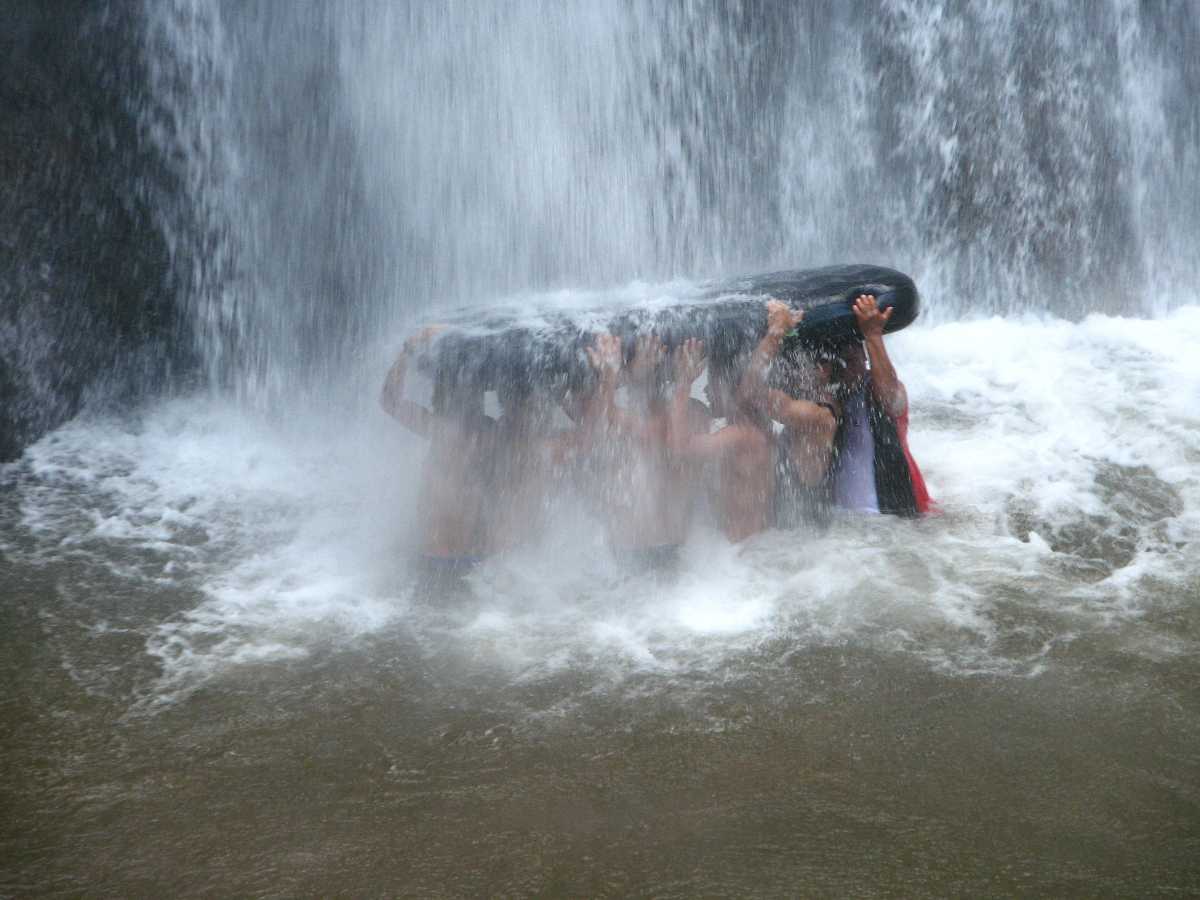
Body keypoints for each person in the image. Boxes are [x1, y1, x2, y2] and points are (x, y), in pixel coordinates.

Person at [379, 327, 494, 589]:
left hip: (437, 559)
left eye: (436, 392)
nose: (431, 397)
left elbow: (388, 399)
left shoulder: (439, 428)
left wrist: (407, 352)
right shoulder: (491, 431)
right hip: (476, 562)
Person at [582, 332, 704, 571]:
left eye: (657, 350)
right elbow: (598, 427)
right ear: (627, 363)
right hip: (627, 554)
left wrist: (610, 377)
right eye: (645, 350)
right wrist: (608, 376)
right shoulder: (623, 412)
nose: (653, 356)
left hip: (667, 550)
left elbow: (670, 442)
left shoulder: (684, 412)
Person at [739, 299, 841, 527]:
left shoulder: (818, 416)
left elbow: (749, 391)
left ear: (822, 370)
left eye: (795, 366)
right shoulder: (814, 406)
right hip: (796, 547)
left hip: (806, 550)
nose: (788, 373)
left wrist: (776, 332)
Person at [831, 294, 933, 517]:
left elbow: (890, 397)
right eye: (839, 363)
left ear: (865, 360)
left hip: (894, 516)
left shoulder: (875, 388)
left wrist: (873, 335)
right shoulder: (827, 395)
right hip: (844, 525)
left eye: (853, 360)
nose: (847, 369)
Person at [669, 337, 775, 543]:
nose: (707, 391)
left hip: (743, 555)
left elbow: (679, 447)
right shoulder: (756, 428)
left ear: (727, 385)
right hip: (750, 552)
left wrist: (683, 383)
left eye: (712, 383)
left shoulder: (740, 434)